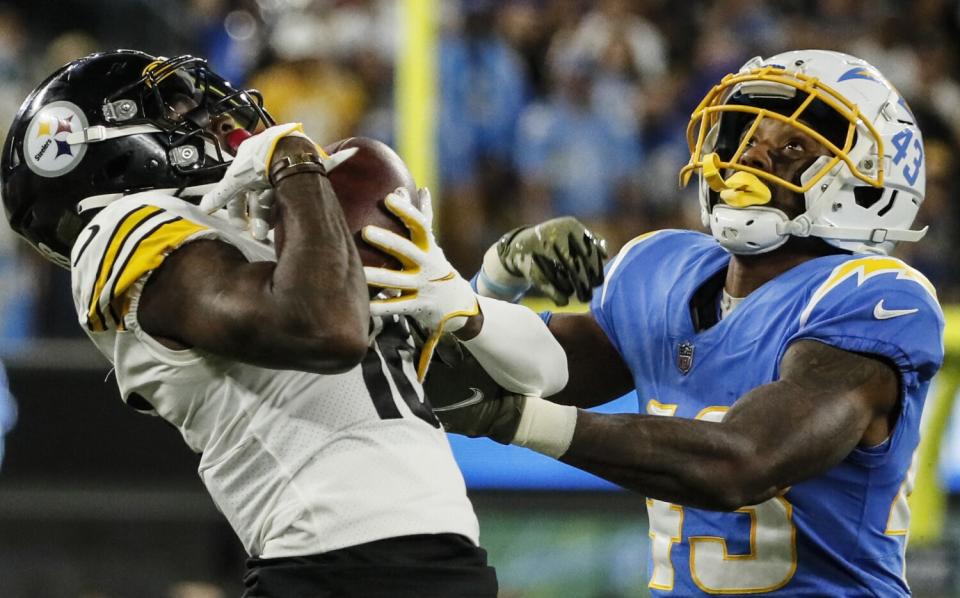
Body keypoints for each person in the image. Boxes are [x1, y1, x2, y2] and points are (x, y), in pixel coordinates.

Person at [0, 50, 577, 597]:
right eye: (175, 108)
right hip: (336, 566)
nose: (204, 117)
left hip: (439, 558)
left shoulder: (260, 235)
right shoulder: (118, 233)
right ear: (97, 145)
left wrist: (467, 292)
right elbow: (326, 329)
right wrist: (294, 165)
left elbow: (539, 377)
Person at [366, 50, 944, 596]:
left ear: (868, 184)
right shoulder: (662, 268)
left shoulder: (877, 298)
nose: (751, 157)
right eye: (743, 135)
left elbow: (742, 462)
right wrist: (493, 281)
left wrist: (520, 422)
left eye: (793, 145)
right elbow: (517, 376)